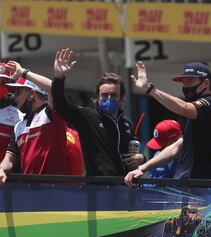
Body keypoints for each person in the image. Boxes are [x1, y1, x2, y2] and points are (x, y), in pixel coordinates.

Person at [16, 48, 145, 176]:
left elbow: (133, 154)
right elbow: (61, 105)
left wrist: (142, 158)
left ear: (122, 98)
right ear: (96, 97)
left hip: (126, 189)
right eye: (104, 95)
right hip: (98, 190)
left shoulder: (127, 123)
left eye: (114, 95)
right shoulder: (87, 117)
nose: (109, 99)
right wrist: (59, 77)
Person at [125, 61, 211, 186]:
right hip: (185, 186)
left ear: (205, 83)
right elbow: (175, 148)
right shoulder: (196, 118)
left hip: (201, 187)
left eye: (190, 82)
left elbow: (184, 108)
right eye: (184, 82)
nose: (186, 86)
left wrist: (149, 89)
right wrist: (142, 168)